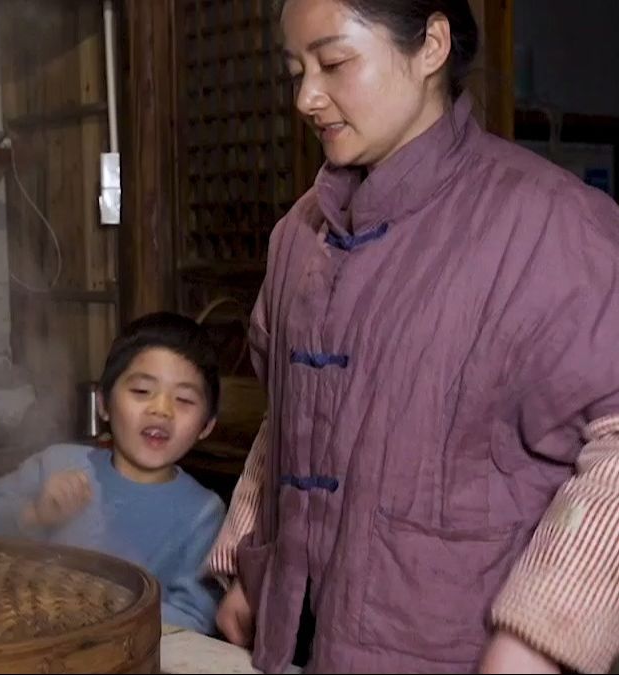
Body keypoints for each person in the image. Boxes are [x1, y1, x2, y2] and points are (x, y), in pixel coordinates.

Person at [205, 0, 619, 673]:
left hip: (459, 648)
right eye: (295, 70)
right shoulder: (297, 236)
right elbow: (290, 411)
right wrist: (251, 554)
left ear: (430, 45)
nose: (308, 97)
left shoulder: (554, 226)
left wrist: (540, 635)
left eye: (335, 62)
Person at [0, 311, 228, 635]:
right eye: (142, 391)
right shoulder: (57, 464)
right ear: (103, 404)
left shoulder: (202, 512)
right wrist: (33, 514)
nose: (161, 409)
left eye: (184, 399)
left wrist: (102, 603)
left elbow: (197, 620)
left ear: (207, 425)